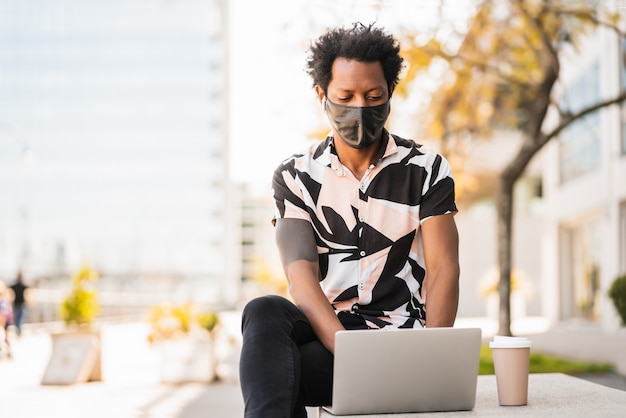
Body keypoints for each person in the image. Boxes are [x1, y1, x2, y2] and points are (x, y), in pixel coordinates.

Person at [239, 23, 460, 418]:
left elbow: (444, 268)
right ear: (322, 95)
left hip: (398, 349)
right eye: (346, 96)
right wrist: (350, 355)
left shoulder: (426, 169)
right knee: (264, 312)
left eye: (374, 96)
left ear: (390, 93)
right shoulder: (295, 176)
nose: (360, 107)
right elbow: (301, 281)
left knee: (276, 373)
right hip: (332, 340)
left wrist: (432, 364)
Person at [9, 270, 29, 336]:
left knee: (18, 317)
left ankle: (18, 330)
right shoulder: (21, 285)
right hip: (19, 303)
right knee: (19, 317)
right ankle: (18, 330)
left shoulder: (17, 285)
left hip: (18, 303)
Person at [0, 282, 13, 357]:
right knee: (5, 337)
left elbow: (4, 313)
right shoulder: (4, 299)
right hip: (5, 321)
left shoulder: (2, 300)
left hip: (3, 321)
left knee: (4, 336)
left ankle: (8, 351)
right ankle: (8, 351)